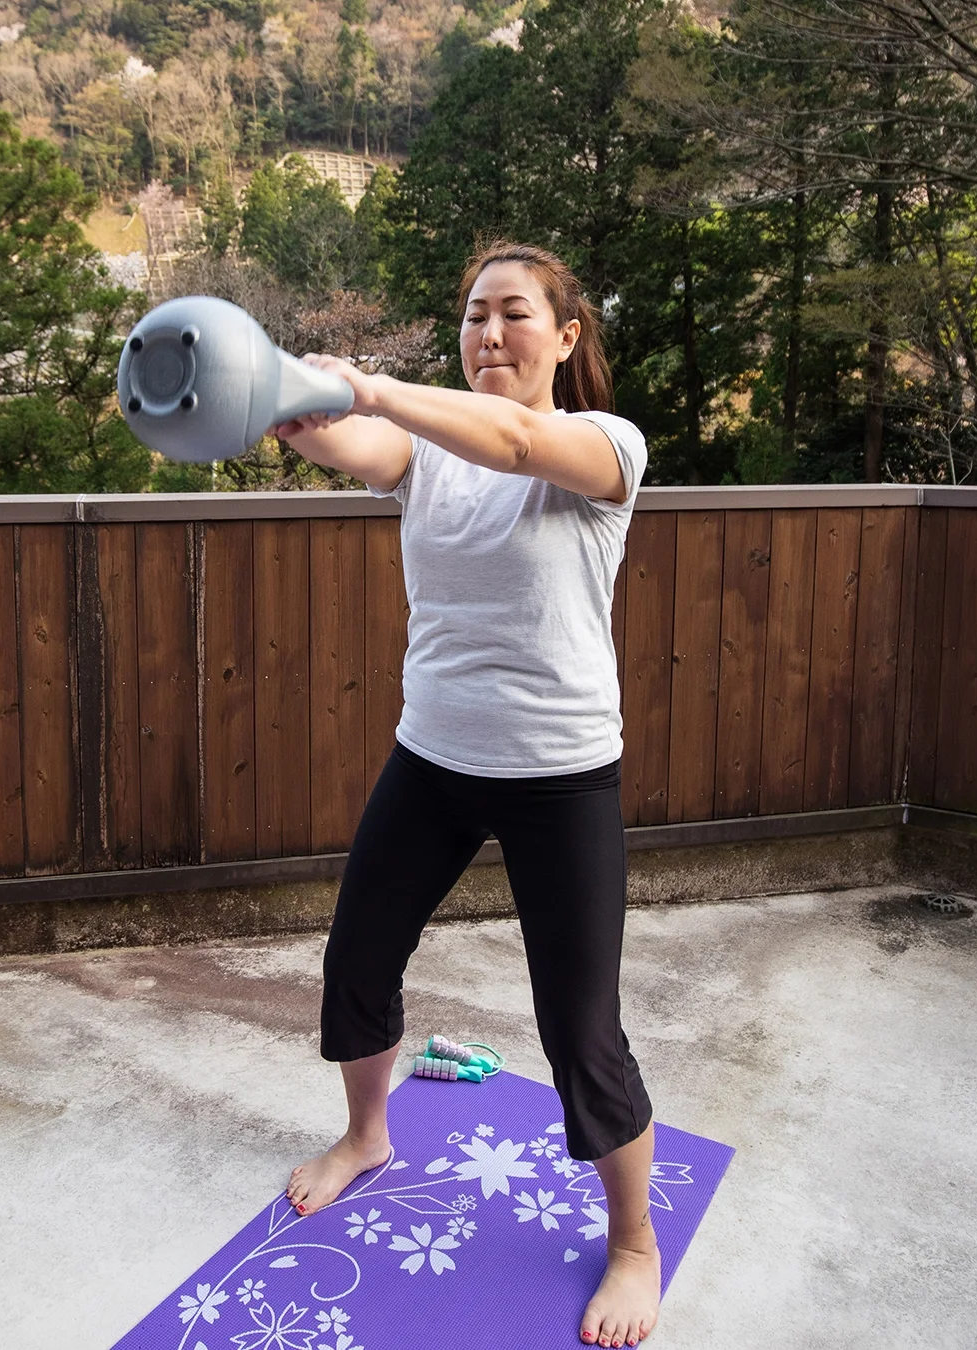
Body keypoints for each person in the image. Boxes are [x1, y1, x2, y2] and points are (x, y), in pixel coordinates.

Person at [269, 240, 660, 1349]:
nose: (489, 333)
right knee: (358, 959)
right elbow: (356, 443)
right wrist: (290, 405)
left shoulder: (604, 445)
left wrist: (377, 385)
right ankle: (366, 1136)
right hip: (434, 756)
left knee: (580, 1032)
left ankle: (633, 1242)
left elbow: (522, 440)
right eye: (474, 315)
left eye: (514, 314)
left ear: (567, 336)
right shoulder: (430, 450)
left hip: (560, 774)